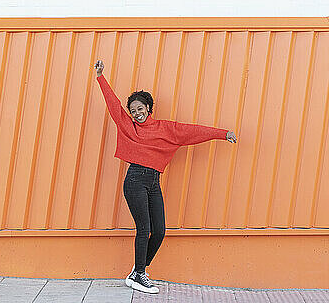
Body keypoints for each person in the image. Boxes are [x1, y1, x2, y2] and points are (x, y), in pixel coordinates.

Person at [93, 59, 237, 294]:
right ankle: (140, 275)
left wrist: (223, 134)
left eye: (140, 109)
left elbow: (193, 131)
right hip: (135, 180)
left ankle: (137, 272)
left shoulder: (166, 128)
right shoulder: (129, 127)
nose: (137, 114)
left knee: (159, 230)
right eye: (133, 111)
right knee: (144, 228)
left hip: (153, 182)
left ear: (149, 108)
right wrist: (100, 77)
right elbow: (113, 105)